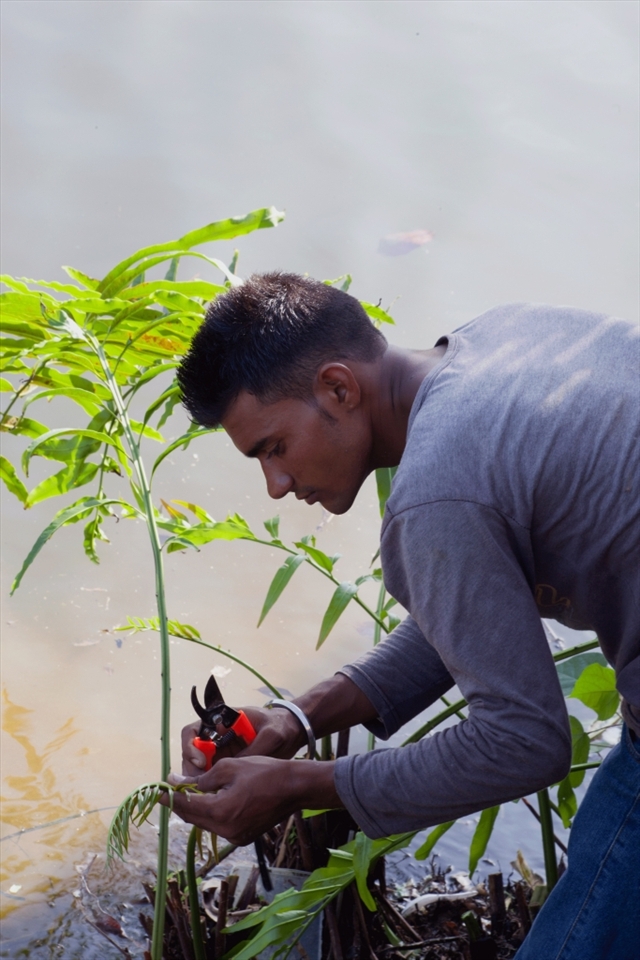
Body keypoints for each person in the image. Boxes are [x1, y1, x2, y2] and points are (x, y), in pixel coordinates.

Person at [164, 273, 639, 959]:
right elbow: (476, 612)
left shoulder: (436, 493)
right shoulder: (499, 337)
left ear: (337, 388)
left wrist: (300, 786)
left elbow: (526, 742)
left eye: (273, 448)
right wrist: (296, 721)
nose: (275, 486)